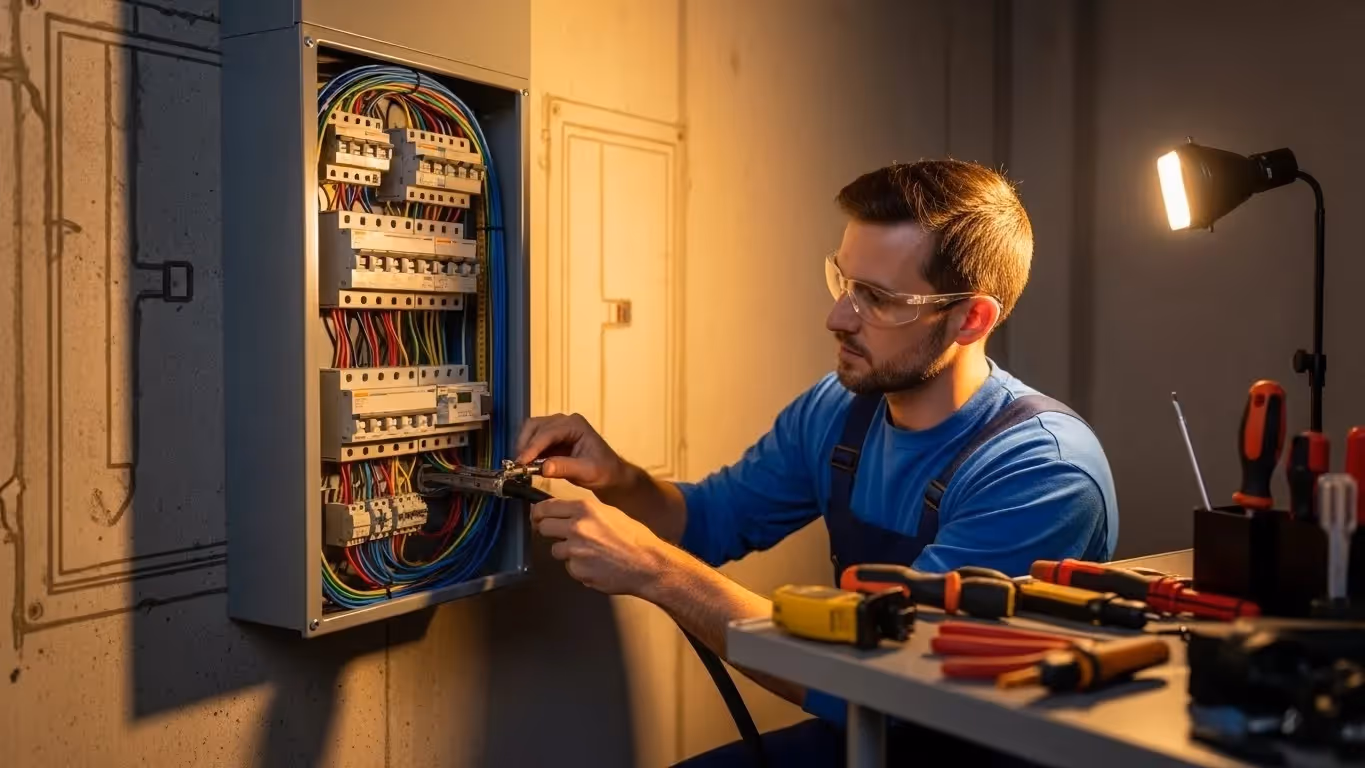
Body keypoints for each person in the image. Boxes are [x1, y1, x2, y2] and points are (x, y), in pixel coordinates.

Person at [514, 159, 1119, 766]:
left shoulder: (1042, 473)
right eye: (843, 281)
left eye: (878, 299)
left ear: (971, 319)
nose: (838, 318)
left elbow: (879, 679)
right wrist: (618, 478)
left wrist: (657, 572)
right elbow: (705, 522)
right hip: (864, 736)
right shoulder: (840, 410)